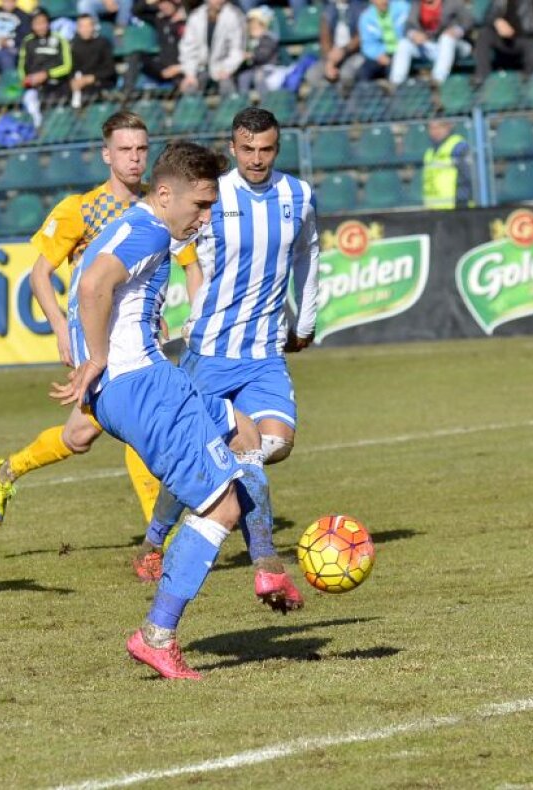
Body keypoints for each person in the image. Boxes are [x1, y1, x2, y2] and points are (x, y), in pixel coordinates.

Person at [53, 140, 254, 680]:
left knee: (246, 431)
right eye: (201, 206)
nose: (205, 218)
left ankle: (261, 563)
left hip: (146, 380)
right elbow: (94, 287)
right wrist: (96, 359)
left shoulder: (128, 225)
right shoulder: (147, 230)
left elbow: (93, 287)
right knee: (221, 509)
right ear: (165, 194)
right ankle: (156, 635)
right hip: (140, 386)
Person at [132, 109, 319, 617]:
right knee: (220, 450)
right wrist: (153, 312)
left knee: (271, 443)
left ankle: (244, 554)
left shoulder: (298, 196)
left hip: (263, 354)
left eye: (267, 150)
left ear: (277, 148)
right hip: (211, 351)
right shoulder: (213, 197)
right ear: (233, 147)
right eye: (247, 149)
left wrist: (306, 321)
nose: (257, 159)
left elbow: (310, 255)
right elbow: (167, 247)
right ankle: (162, 544)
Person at [0, 111, 181, 531]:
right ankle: (159, 540)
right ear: (106, 155)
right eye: (125, 150)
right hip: (94, 342)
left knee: (79, 436)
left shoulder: (157, 206)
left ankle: (7, 471)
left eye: (141, 149)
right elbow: (40, 274)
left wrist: (155, 315)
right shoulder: (82, 209)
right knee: (138, 426)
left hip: (135, 339)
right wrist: (60, 328)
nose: (135, 158)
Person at [390, 0, 473, 86]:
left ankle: (437, 82)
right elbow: (408, 25)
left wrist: (456, 30)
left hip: (456, 45)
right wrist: (414, 34)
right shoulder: (417, 3)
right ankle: (395, 83)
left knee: (446, 39)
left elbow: (469, 20)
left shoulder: (452, 2)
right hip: (432, 47)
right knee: (403, 44)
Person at [472, 0, 533, 83]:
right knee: (485, 34)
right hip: (509, 40)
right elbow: (489, 16)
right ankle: (482, 78)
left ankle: (528, 81)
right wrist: (496, 21)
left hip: (532, 38)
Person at [178, 0, 246, 95]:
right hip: (200, 69)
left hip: (224, 69)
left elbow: (237, 49)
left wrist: (227, 69)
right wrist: (190, 74)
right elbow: (188, 48)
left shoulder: (234, 15)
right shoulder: (196, 16)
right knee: (189, 89)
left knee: (227, 89)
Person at [18, 9, 71, 126]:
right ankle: (37, 128)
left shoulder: (60, 39)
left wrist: (47, 74)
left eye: (43, 22)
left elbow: (67, 66)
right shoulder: (27, 42)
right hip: (34, 87)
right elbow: (22, 67)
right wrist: (30, 79)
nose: (41, 26)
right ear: (32, 25)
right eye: (37, 23)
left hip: (57, 84)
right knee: (29, 100)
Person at [122, 0, 186, 95]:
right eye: (160, 4)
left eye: (166, 3)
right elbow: (136, 11)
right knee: (137, 56)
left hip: (181, 67)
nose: (164, 7)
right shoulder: (159, 20)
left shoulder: (186, 21)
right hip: (163, 67)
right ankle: (127, 93)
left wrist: (179, 68)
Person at [304, 0, 367, 90]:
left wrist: (344, 50)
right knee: (312, 75)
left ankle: (347, 100)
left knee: (346, 74)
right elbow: (324, 39)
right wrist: (330, 62)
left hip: (354, 53)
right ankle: (331, 98)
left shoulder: (361, 9)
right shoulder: (328, 11)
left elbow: (360, 37)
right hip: (332, 55)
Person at [421, 118, 473, 209]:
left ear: (448, 127)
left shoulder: (459, 147)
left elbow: (468, 178)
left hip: (456, 209)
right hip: (433, 210)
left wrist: (461, 205)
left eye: (439, 127)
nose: (435, 132)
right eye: (431, 128)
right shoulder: (429, 153)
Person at [357, 0, 411, 83]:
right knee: (365, 70)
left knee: (396, 65)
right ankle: (364, 93)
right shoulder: (366, 17)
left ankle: (396, 91)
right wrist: (377, 55)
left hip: (401, 51)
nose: (383, 1)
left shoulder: (403, 7)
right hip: (381, 54)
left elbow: (412, 27)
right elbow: (367, 45)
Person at [69, 14, 115, 108]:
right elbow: (71, 69)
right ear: (78, 29)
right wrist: (73, 81)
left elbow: (110, 69)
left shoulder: (103, 43)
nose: (86, 29)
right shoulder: (73, 45)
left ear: (93, 26)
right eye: (82, 26)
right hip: (79, 85)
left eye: (88, 25)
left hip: (100, 83)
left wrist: (92, 78)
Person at [236, 5, 281, 96]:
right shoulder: (249, 41)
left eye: (256, 27)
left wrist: (252, 55)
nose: (253, 29)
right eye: (251, 27)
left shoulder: (268, 39)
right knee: (243, 77)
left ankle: (265, 102)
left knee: (259, 77)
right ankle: (243, 99)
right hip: (254, 68)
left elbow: (263, 55)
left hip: (268, 68)